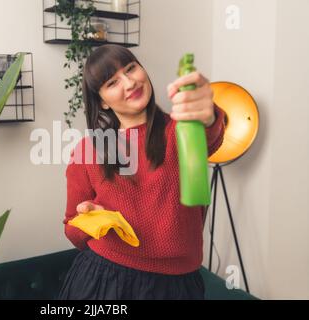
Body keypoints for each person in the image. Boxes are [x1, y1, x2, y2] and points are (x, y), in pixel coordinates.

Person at [58, 44, 226, 300]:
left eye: (131, 68)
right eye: (112, 82)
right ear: (102, 101)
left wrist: (208, 114)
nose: (129, 83)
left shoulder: (182, 130)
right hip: (104, 283)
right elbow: (72, 227)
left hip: (178, 287)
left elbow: (210, 134)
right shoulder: (87, 150)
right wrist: (95, 222)